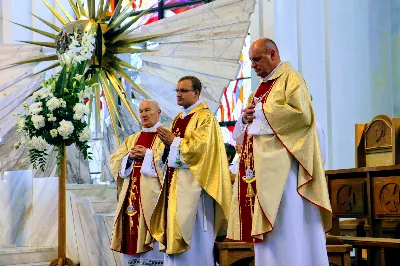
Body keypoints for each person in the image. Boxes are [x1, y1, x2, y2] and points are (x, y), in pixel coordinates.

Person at [227, 38, 332, 266]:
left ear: (272, 54)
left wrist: (261, 112)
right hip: (261, 170)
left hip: (285, 172)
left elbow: (302, 115)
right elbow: (249, 127)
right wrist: (245, 118)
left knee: (287, 224)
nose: (253, 65)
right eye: (251, 60)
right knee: (270, 234)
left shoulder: (290, 78)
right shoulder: (260, 88)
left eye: (256, 59)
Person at [152, 76, 232, 266]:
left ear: (196, 93)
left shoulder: (205, 117)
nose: (178, 94)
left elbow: (203, 151)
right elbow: (172, 149)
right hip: (175, 186)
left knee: (194, 235)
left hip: (195, 189)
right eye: (177, 91)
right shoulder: (179, 118)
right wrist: (168, 145)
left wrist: (175, 142)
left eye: (183, 91)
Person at [110, 100, 165, 266]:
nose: (143, 114)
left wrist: (148, 154)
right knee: (131, 235)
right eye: (141, 111)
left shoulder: (166, 137)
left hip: (154, 200)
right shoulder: (132, 139)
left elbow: (168, 163)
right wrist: (128, 157)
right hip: (131, 201)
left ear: (159, 112)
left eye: (148, 110)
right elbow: (115, 160)